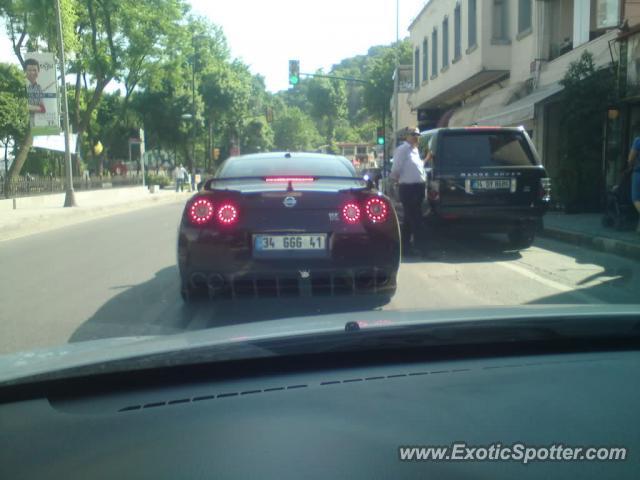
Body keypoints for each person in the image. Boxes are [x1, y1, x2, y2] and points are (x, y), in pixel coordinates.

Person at [390, 126, 427, 256]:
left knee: (408, 219)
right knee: (416, 219)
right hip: (408, 188)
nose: (416, 137)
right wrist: (395, 180)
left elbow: (418, 167)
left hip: (418, 187)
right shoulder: (402, 149)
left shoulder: (415, 150)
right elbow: (396, 169)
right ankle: (422, 248)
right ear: (407, 136)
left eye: (417, 134)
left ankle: (404, 247)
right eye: (413, 134)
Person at [627, 135, 640, 233]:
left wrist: (630, 164)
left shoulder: (638, 140)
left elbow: (631, 158)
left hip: (639, 172)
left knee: (635, 198)